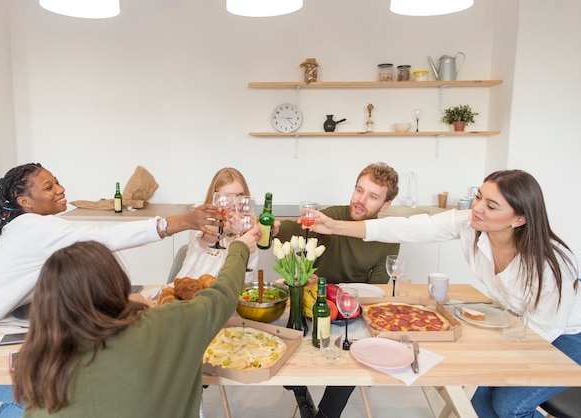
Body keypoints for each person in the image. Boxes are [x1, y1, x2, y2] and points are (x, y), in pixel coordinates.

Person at [308, 169, 581, 418]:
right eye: (478, 197)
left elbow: (543, 333)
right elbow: (409, 227)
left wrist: (492, 356)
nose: (477, 208)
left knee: (509, 406)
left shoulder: (550, 264)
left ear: (519, 218)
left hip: (567, 336)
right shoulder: (470, 224)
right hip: (520, 326)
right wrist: (334, 226)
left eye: (491, 205)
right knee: (479, 402)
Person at [0, 162, 221, 417]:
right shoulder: (32, 226)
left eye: (57, 182)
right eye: (48, 187)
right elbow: (103, 238)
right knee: (41, 396)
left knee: (45, 392)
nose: (60, 189)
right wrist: (183, 221)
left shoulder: (29, 228)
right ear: (24, 202)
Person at [13, 234, 258, 417]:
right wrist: (238, 250)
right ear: (117, 283)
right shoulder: (168, 325)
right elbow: (223, 294)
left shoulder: (40, 369)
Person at [277, 162, 401, 418]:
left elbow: (377, 288)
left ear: (385, 205)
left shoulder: (387, 236)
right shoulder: (333, 215)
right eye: (359, 190)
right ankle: (299, 390)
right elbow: (297, 229)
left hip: (350, 310)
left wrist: (346, 297)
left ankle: (324, 414)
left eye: (372, 196)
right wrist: (276, 227)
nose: (360, 200)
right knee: (289, 339)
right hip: (314, 301)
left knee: (355, 352)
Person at [175, 167, 259, 282]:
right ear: (216, 198)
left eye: (240, 195)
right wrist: (226, 228)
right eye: (227, 196)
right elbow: (207, 233)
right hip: (191, 292)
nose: (235, 202)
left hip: (232, 294)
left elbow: (246, 277)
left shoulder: (248, 225)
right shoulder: (202, 218)